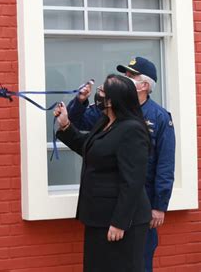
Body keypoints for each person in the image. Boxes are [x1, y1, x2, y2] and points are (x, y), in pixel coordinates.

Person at [66, 57, 175, 271]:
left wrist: (159, 206)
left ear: (144, 85)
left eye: (131, 76)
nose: (126, 78)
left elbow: (165, 163)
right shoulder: (109, 114)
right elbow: (81, 126)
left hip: (140, 202)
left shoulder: (159, 117)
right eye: (125, 75)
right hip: (114, 204)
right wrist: (80, 102)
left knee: (138, 262)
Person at [54, 74, 152, 272]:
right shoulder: (105, 122)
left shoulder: (132, 130)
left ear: (113, 100)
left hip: (120, 222)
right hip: (98, 217)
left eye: (102, 92)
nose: (98, 95)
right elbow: (88, 148)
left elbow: (132, 182)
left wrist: (119, 222)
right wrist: (66, 126)